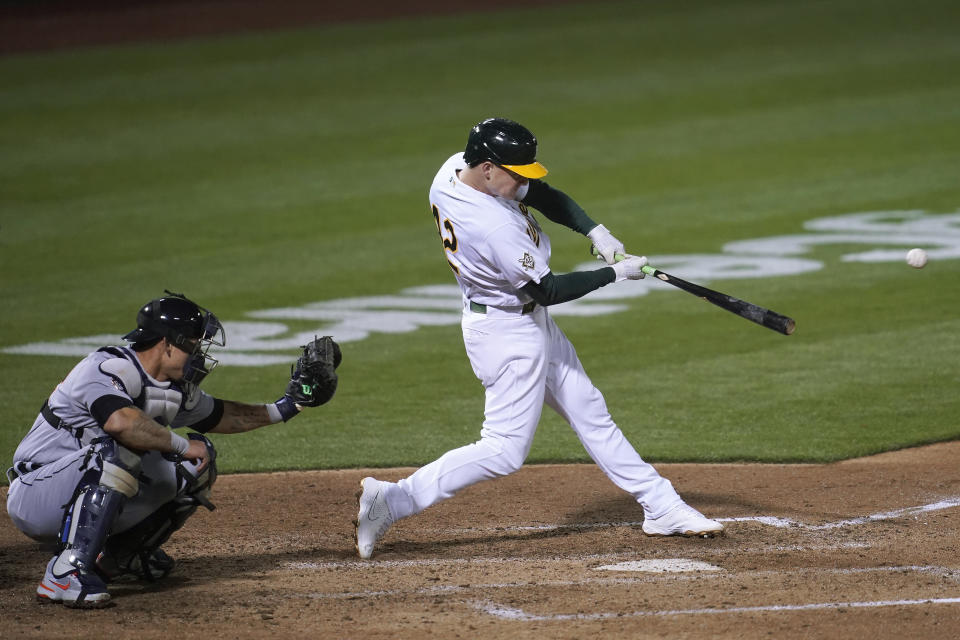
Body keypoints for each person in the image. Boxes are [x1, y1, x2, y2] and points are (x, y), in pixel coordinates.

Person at [355, 117, 723, 559]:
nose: (523, 182)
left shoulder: (457, 168)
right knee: (505, 450)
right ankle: (392, 499)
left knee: (589, 409)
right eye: (516, 174)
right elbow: (546, 289)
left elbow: (543, 195)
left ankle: (660, 505)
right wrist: (615, 273)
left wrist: (595, 232)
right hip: (506, 335)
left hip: (525, 321)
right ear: (489, 168)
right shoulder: (492, 227)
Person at [6, 291, 340, 608]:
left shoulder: (170, 387)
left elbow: (226, 415)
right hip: (36, 494)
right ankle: (66, 572)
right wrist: (181, 443)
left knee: (197, 464)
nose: (199, 355)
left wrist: (290, 404)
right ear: (167, 344)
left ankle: (119, 557)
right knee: (119, 449)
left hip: (81, 487)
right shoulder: (106, 368)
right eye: (194, 345)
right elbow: (121, 423)